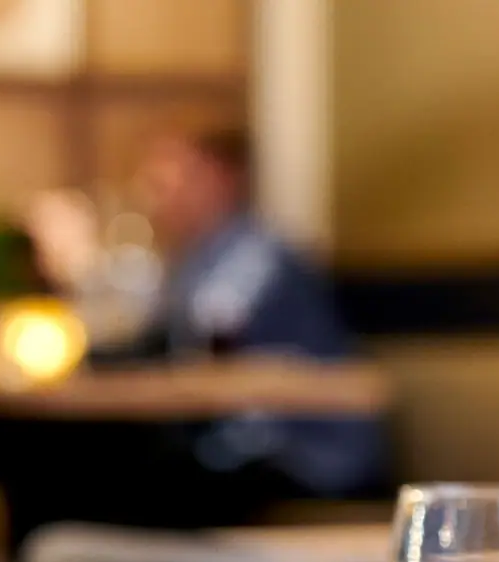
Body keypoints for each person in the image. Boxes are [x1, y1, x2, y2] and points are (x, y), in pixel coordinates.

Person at [88, 126, 385, 517]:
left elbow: (206, 340)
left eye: (167, 178)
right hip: (240, 450)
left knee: (128, 481)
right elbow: (153, 342)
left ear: (219, 178)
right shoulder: (194, 260)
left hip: (306, 456)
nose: (152, 196)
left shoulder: (257, 255)